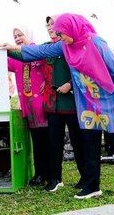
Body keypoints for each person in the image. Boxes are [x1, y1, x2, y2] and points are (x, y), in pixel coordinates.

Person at [0, 13, 114, 200]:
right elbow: (41, 52)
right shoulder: (66, 46)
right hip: (88, 103)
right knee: (90, 145)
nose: (60, 37)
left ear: (72, 29)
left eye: (62, 33)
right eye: (58, 34)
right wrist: (9, 47)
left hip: (112, 101)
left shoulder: (97, 43)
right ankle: (92, 186)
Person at [35, 15, 83, 192]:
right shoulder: (45, 47)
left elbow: (81, 69)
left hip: (70, 101)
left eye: (53, 23)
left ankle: (85, 177)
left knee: (78, 142)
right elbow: (32, 60)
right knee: (53, 142)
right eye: (47, 24)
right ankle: (55, 178)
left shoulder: (71, 45)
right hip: (51, 102)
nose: (50, 27)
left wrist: (70, 83)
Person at [5, 25, 50, 187]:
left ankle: (51, 175)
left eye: (20, 35)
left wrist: (48, 81)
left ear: (28, 34)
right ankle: (39, 174)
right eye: (15, 36)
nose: (17, 38)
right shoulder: (16, 57)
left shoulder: (39, 52)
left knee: (48, 141)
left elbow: (51, 69)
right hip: (30, 108)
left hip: (44, 105)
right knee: (37, 142)